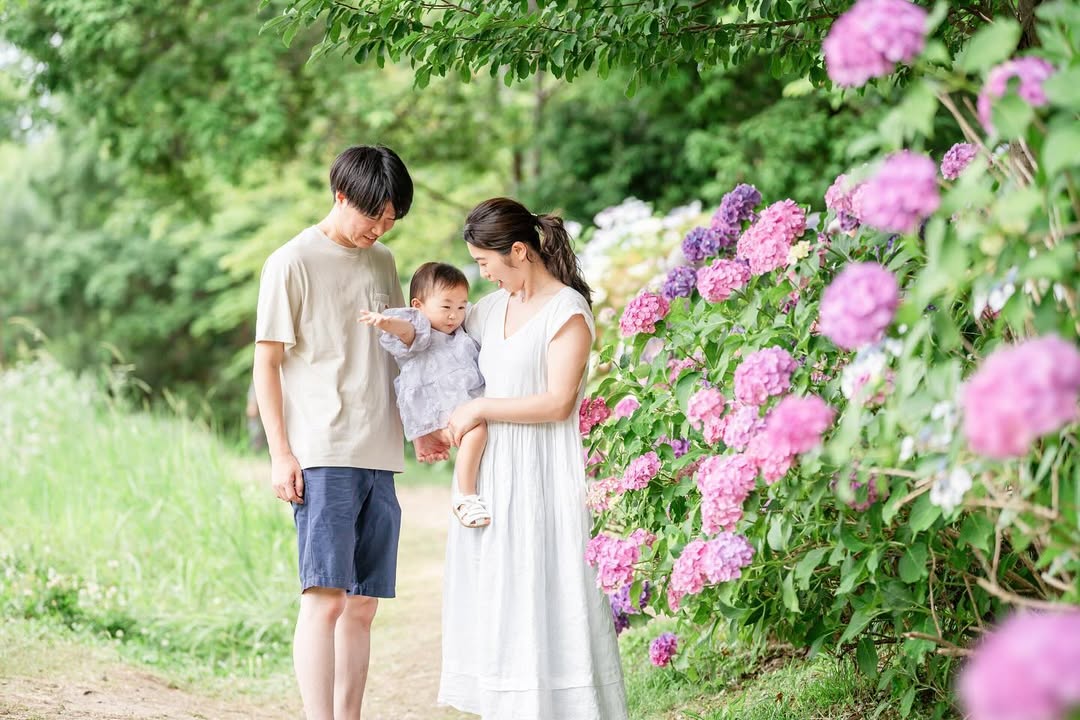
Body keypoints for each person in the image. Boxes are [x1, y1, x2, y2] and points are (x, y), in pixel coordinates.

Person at [252, 145, 448, 720]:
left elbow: (393, 353)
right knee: (325, 598)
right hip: (323, 450)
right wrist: (281, 452)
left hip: (379, 451)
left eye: (392, 219)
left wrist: (417, 426)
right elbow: (266, 363)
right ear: (341, 195)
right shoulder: (291, 262)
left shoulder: (382, 260)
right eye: (375, 215)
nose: (382, 228)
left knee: (363, 604)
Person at [437, 197, 629, 719]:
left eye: (484, 263)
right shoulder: (490, 310)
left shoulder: (567, 311)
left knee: (546, 597)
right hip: (492, 476)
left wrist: (480, 406)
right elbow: (439, 342)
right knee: (500, 604)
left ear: (518, 251)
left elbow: (557, 401)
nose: (483, 274)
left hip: (542, 474)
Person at [357, 261, 491, 528]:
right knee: (477, 432)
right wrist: (388, 323)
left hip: (454, 406)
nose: (454, 315)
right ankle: (465, 496)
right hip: (436, 407)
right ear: (418, 307)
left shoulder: (460, 335)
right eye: (446, 306)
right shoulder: (422, 331)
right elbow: (407, 330)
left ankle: (426, 438)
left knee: (478, 433)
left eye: (461, 307)